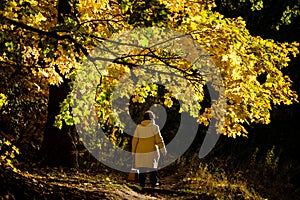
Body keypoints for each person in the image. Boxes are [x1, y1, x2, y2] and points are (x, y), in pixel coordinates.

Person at [131, 110, 167, 188]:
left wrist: (133, 152)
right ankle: (153, 184)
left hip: (140, 152)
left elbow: (135, 140)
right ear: (152, 118)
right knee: (153, 169)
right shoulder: (155, 127)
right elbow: (159, 140)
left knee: (141, 170)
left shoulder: (139, 127)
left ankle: (142, 185)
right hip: (152, 152)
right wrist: (163, 150)